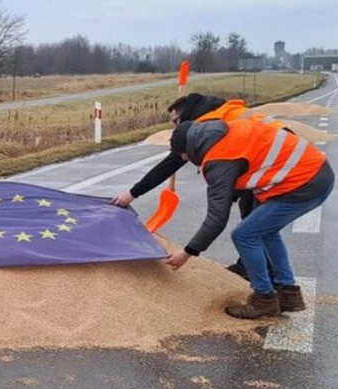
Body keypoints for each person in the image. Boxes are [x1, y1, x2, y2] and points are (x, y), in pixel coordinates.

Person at [163, 118, 335, 320]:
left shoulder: (218, 159)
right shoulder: (225, 131)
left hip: (304, 183)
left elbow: (217, 219)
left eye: (182, 155)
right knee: (266, 232)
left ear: (190, 149)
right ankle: (288, 293)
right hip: (315, 173)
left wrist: (187, 252)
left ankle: (265, 299)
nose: (184, 159)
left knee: (244, 235)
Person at [111, 93, 273, 279]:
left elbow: (172, 163)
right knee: (252, 218)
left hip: (270, 163)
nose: (175, 127)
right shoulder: (217, 112)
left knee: (253, 225)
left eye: (176, 121)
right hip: (261, 158)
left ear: (185, 114)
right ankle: (252, 267)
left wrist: (133, 193)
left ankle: (269, 279)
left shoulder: (205, 125)